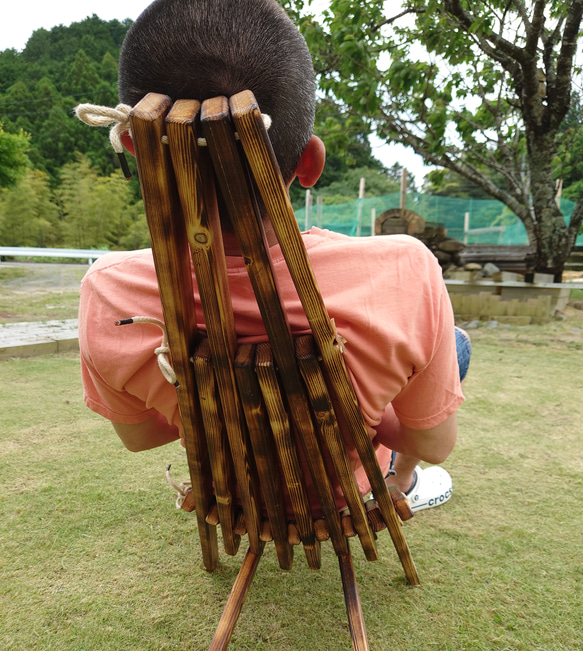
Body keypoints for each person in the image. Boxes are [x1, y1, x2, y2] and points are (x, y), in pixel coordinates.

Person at [77, 0, 469, 516]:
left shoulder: (108, 290)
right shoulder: (405, 269)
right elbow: (436, 443)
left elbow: (139, 437)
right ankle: (398, 482)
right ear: (309, 163)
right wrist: (355, 415)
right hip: (348, 485)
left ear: (135, 146)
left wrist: (220, 402)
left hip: (232, 486)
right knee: (454, 346)